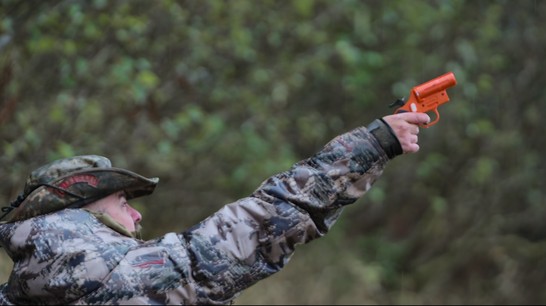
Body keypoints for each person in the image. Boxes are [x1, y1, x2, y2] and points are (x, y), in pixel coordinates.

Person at [0, 112, 431, 305]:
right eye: (123, 202)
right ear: (85, 210)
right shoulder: (115, 277)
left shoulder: (24, 290)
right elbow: (257, 227)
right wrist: (374, 144)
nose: (137, 217)